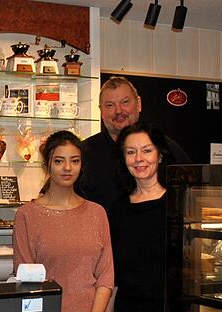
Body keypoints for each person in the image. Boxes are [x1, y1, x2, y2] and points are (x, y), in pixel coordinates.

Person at [13, 131, 114, 312]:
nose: (67, 168)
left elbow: (105, 276)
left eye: (75, 160)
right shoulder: (28, 215)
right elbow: (27, 281)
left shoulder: (96, 213)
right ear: (47, 164)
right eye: (59, 161)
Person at [108, 122, 171, 312]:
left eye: (146, 150)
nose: (139, 159)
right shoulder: (118, 209)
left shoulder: (178, 202)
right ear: (123, 159)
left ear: (160, 154)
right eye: (130, 152)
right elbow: (112, 271)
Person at [81, 76, 190, 212]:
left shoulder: (165, 147)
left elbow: (190, 197)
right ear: (101, 110)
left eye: (125, 102)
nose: (119, 111)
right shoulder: (83, 152)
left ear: (139, 104)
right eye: (110, 105)